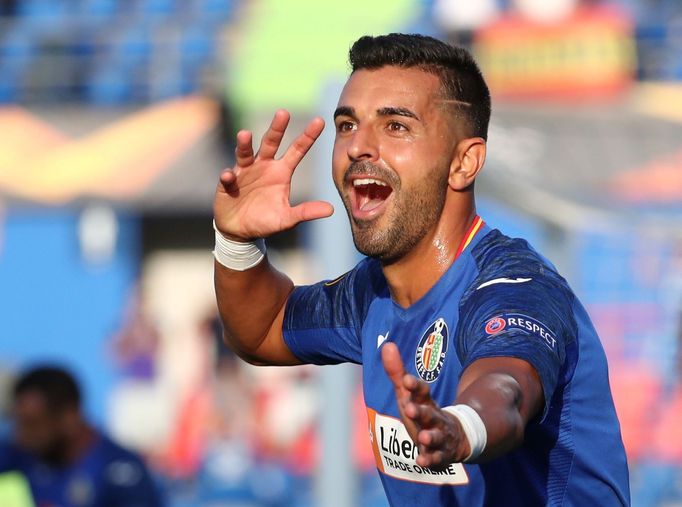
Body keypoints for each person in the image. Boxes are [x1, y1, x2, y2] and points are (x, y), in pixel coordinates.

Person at [212, 33, 630, 506]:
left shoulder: (513, 285)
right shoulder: (371, 293)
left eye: (396, 126)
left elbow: (507, 390)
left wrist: (459, 428)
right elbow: (260, 329)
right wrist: (237, 241)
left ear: (464, 162)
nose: (358, 147)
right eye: (347, 125)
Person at [0, 366, 163, 507]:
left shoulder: (121, 472)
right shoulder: (22, 456)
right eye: (17, 423)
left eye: (32, 424)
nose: (20, 435)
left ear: (69, 417)